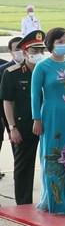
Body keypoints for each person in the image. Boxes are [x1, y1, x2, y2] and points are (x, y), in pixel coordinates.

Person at [31, 28, 65, 214]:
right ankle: (55, 200)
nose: (64, 44)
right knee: (53, 156)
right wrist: (36, 119)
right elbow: (35, 95)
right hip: (51, 116)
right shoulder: (42, 66)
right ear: (51, 43)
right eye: (60, 41)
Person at [1, 30, 44, 204]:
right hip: (24, 126)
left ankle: (51, 201)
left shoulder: (47, 70)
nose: (38, 54)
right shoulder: (12, 73)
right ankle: (23, 203)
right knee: (24, 167)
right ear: (25, 52)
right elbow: (7, 102)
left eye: (41, 50)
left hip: (48, 124)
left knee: (51, 162)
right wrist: (12, 128)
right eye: (34, 51)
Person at [0, 36, 24, 176]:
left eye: (22, 48)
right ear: (10, 51)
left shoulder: (34, 67)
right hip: (11, 119)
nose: (20, 51)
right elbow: (4, 100)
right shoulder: (4, 70)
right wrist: (10, 126)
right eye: (16, 49)